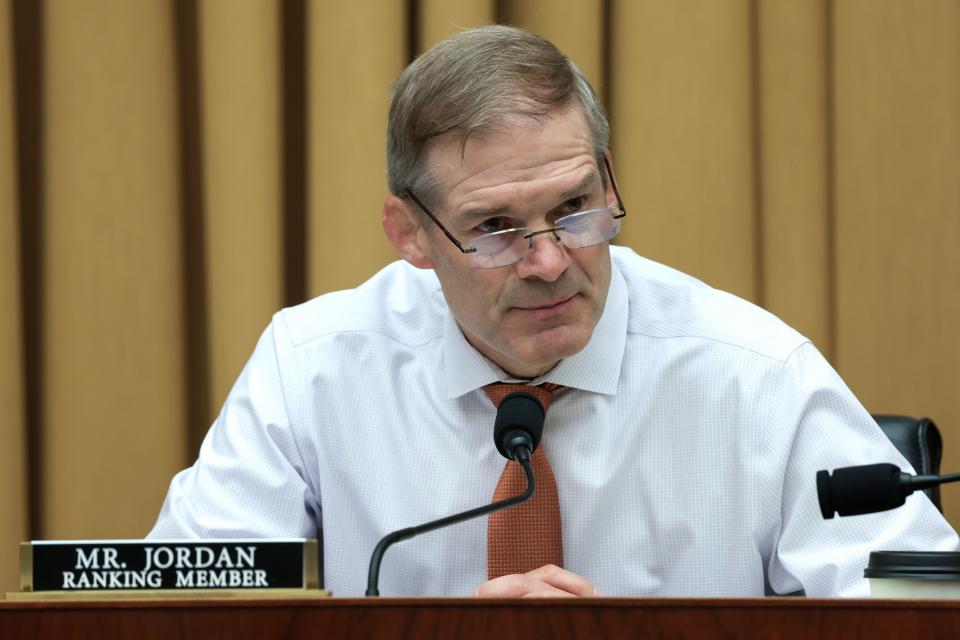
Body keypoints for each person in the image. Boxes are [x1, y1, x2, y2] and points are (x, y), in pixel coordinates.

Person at [148, 25, 958, 597]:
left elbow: (922, 614)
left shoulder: (755, 377)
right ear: (410, 234)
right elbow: (182, 613)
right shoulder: (313, 367)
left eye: (576, 206)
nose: (549, 261)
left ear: (608, 180)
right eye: (496, 228)